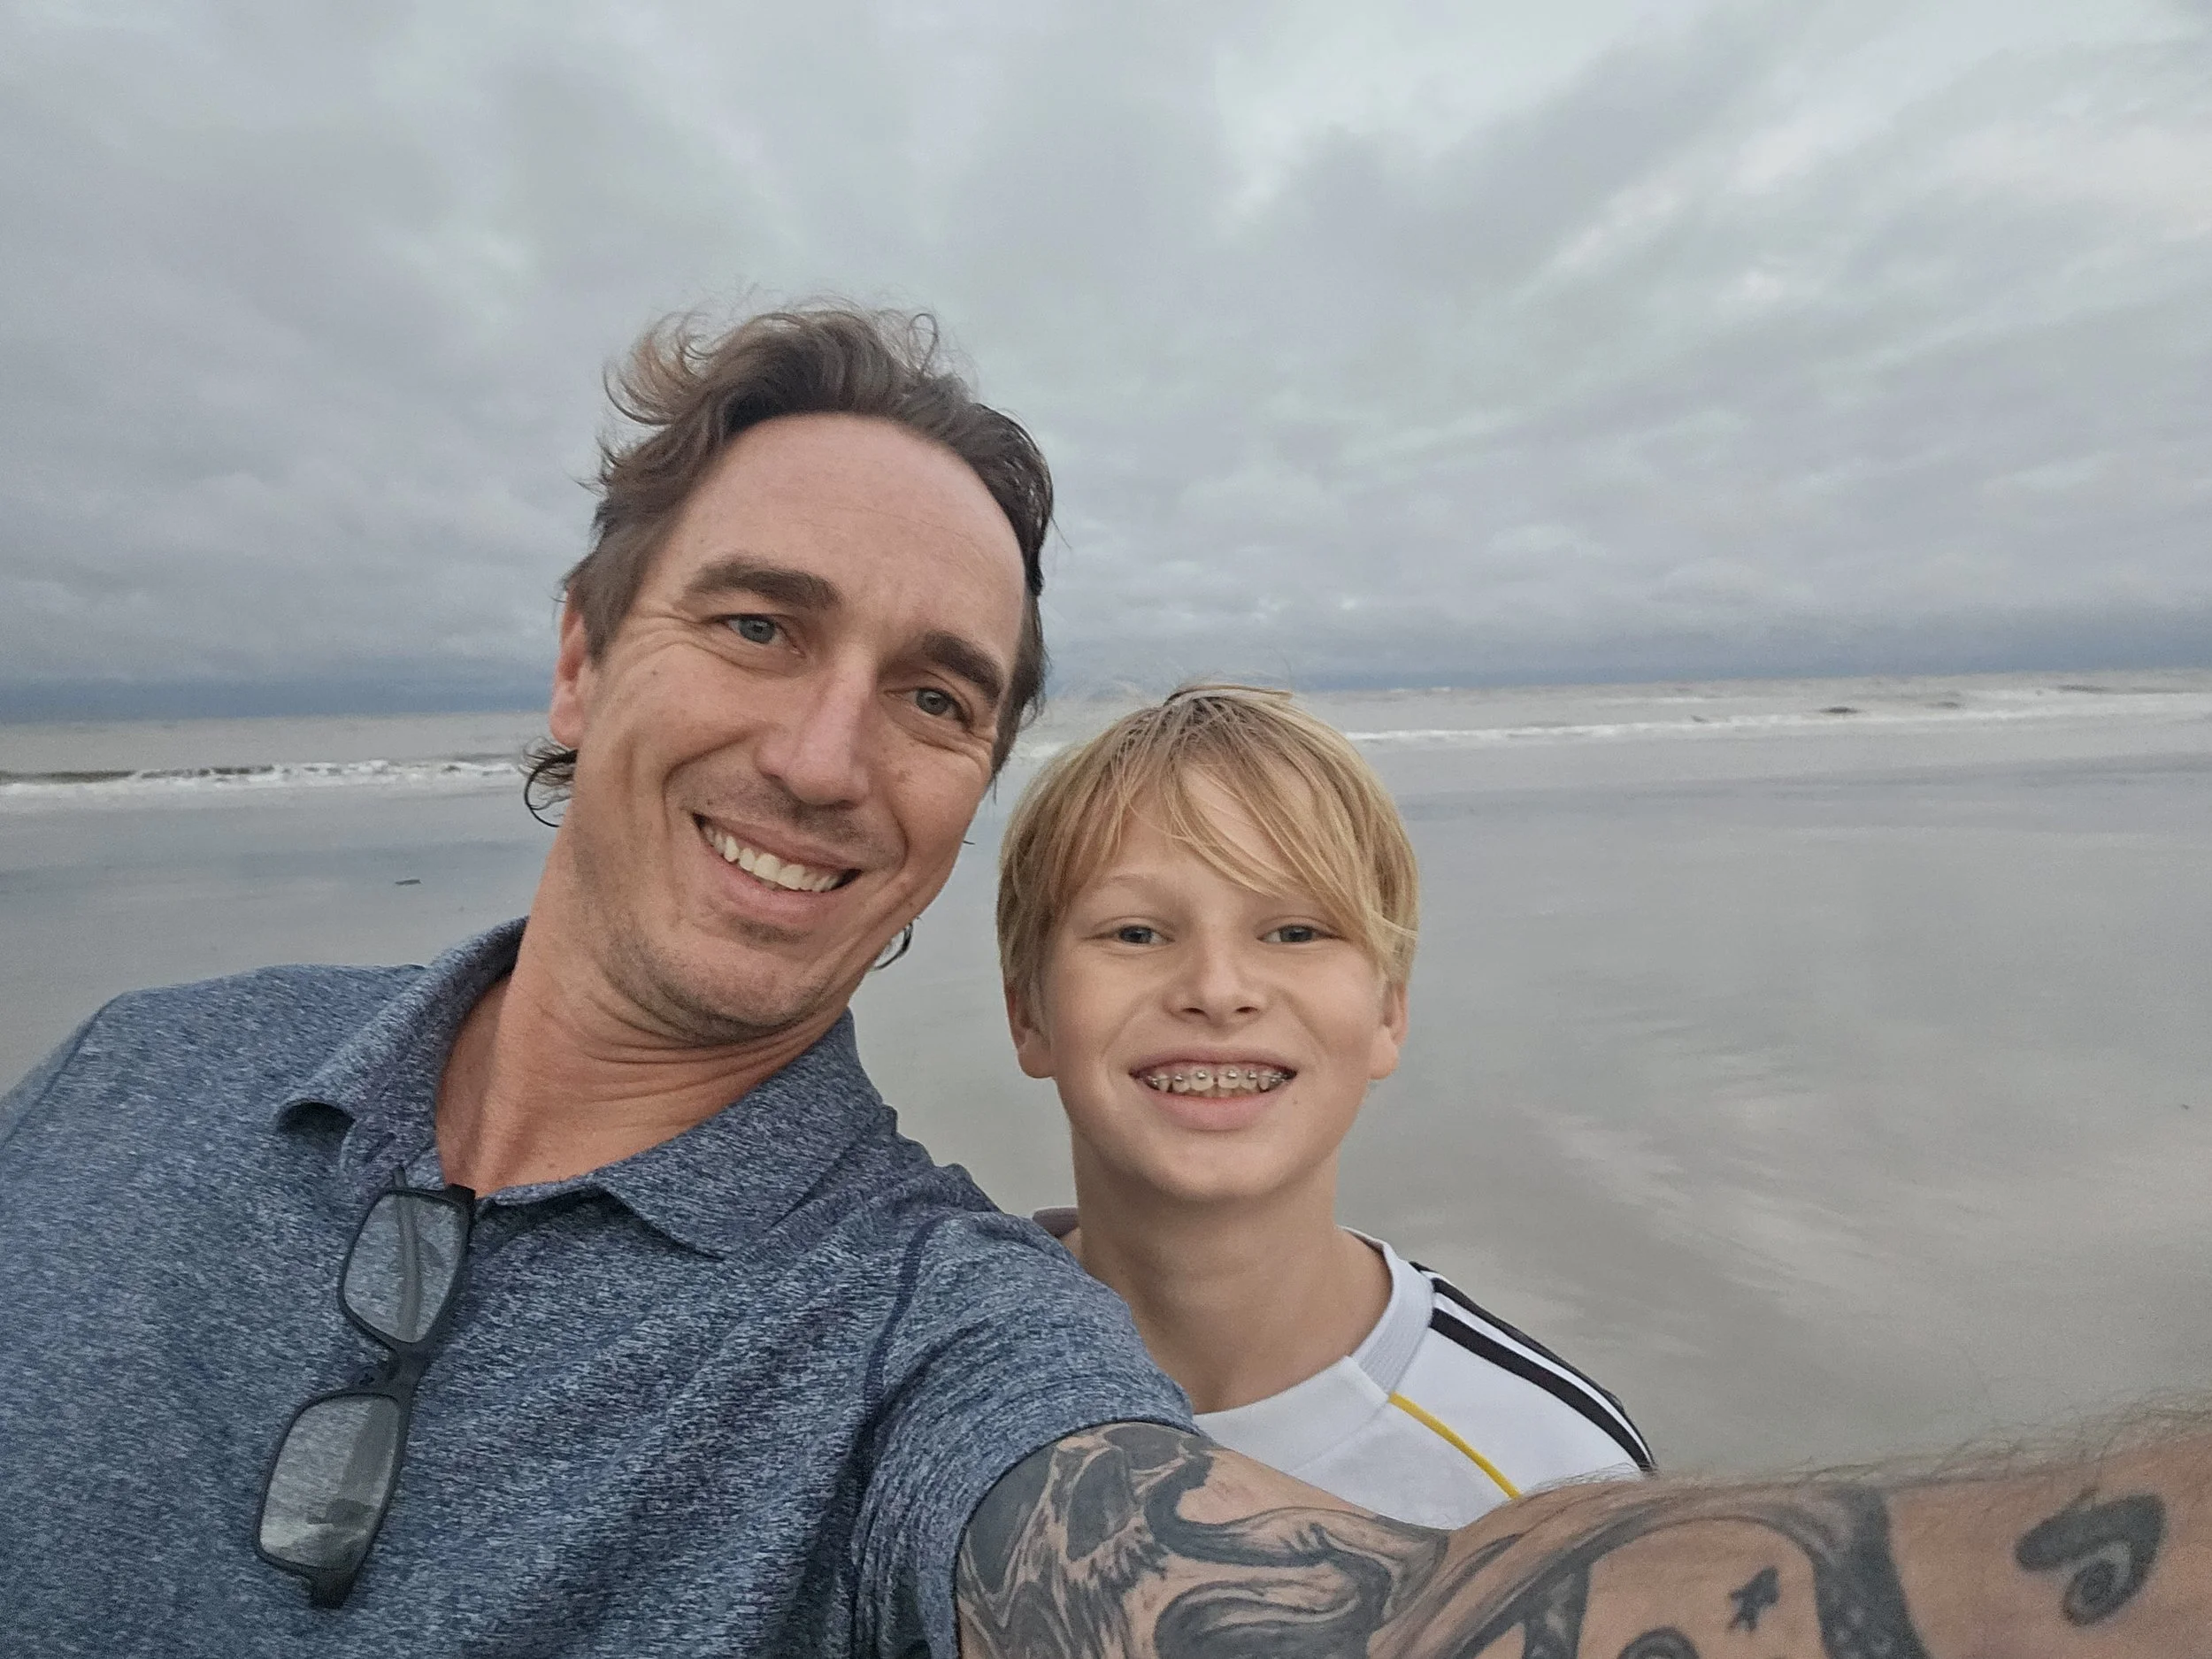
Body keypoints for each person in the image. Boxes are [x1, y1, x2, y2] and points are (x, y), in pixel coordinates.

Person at [4, 302, 2208, 1659]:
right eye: (757, 621)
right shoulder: (128, 1077)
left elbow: (1261, 1586)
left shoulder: (940, 1338)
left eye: (939, 693)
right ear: (585, 656)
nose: (821, 750)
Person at [998, 685, 1651, 1525]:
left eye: (1296, 931)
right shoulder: (904, 1374)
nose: (1217, 989)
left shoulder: (1552, 1473)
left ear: (1387, 1013)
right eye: (1136, 932)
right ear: (1029, 1013)